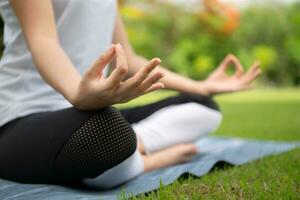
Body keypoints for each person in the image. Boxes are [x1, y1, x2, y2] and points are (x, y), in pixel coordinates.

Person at [0, 0, 261, 189]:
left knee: (204, 107)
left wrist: (199, 86)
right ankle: (142, 161)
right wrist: (77, 94)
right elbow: (43, 40)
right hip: (21, 118)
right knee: (102, 133)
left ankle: (128, 148)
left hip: (89, 113)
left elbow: (129, 58)